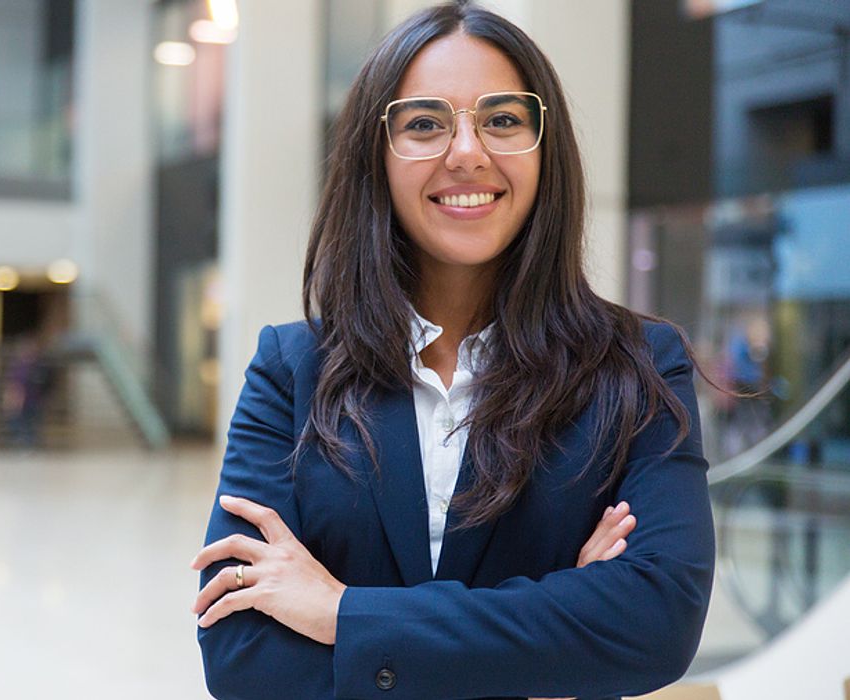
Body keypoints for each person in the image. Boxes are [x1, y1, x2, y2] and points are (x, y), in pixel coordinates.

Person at [190, 3, 716, 699]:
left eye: (502, 120)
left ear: (543, 148)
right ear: (373, 159)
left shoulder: (636, 365)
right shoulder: (292, 370)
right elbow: (244, 660)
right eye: (423, 124)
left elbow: (654, 624)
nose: (466, 151)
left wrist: (341, 612)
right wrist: (552, 648)